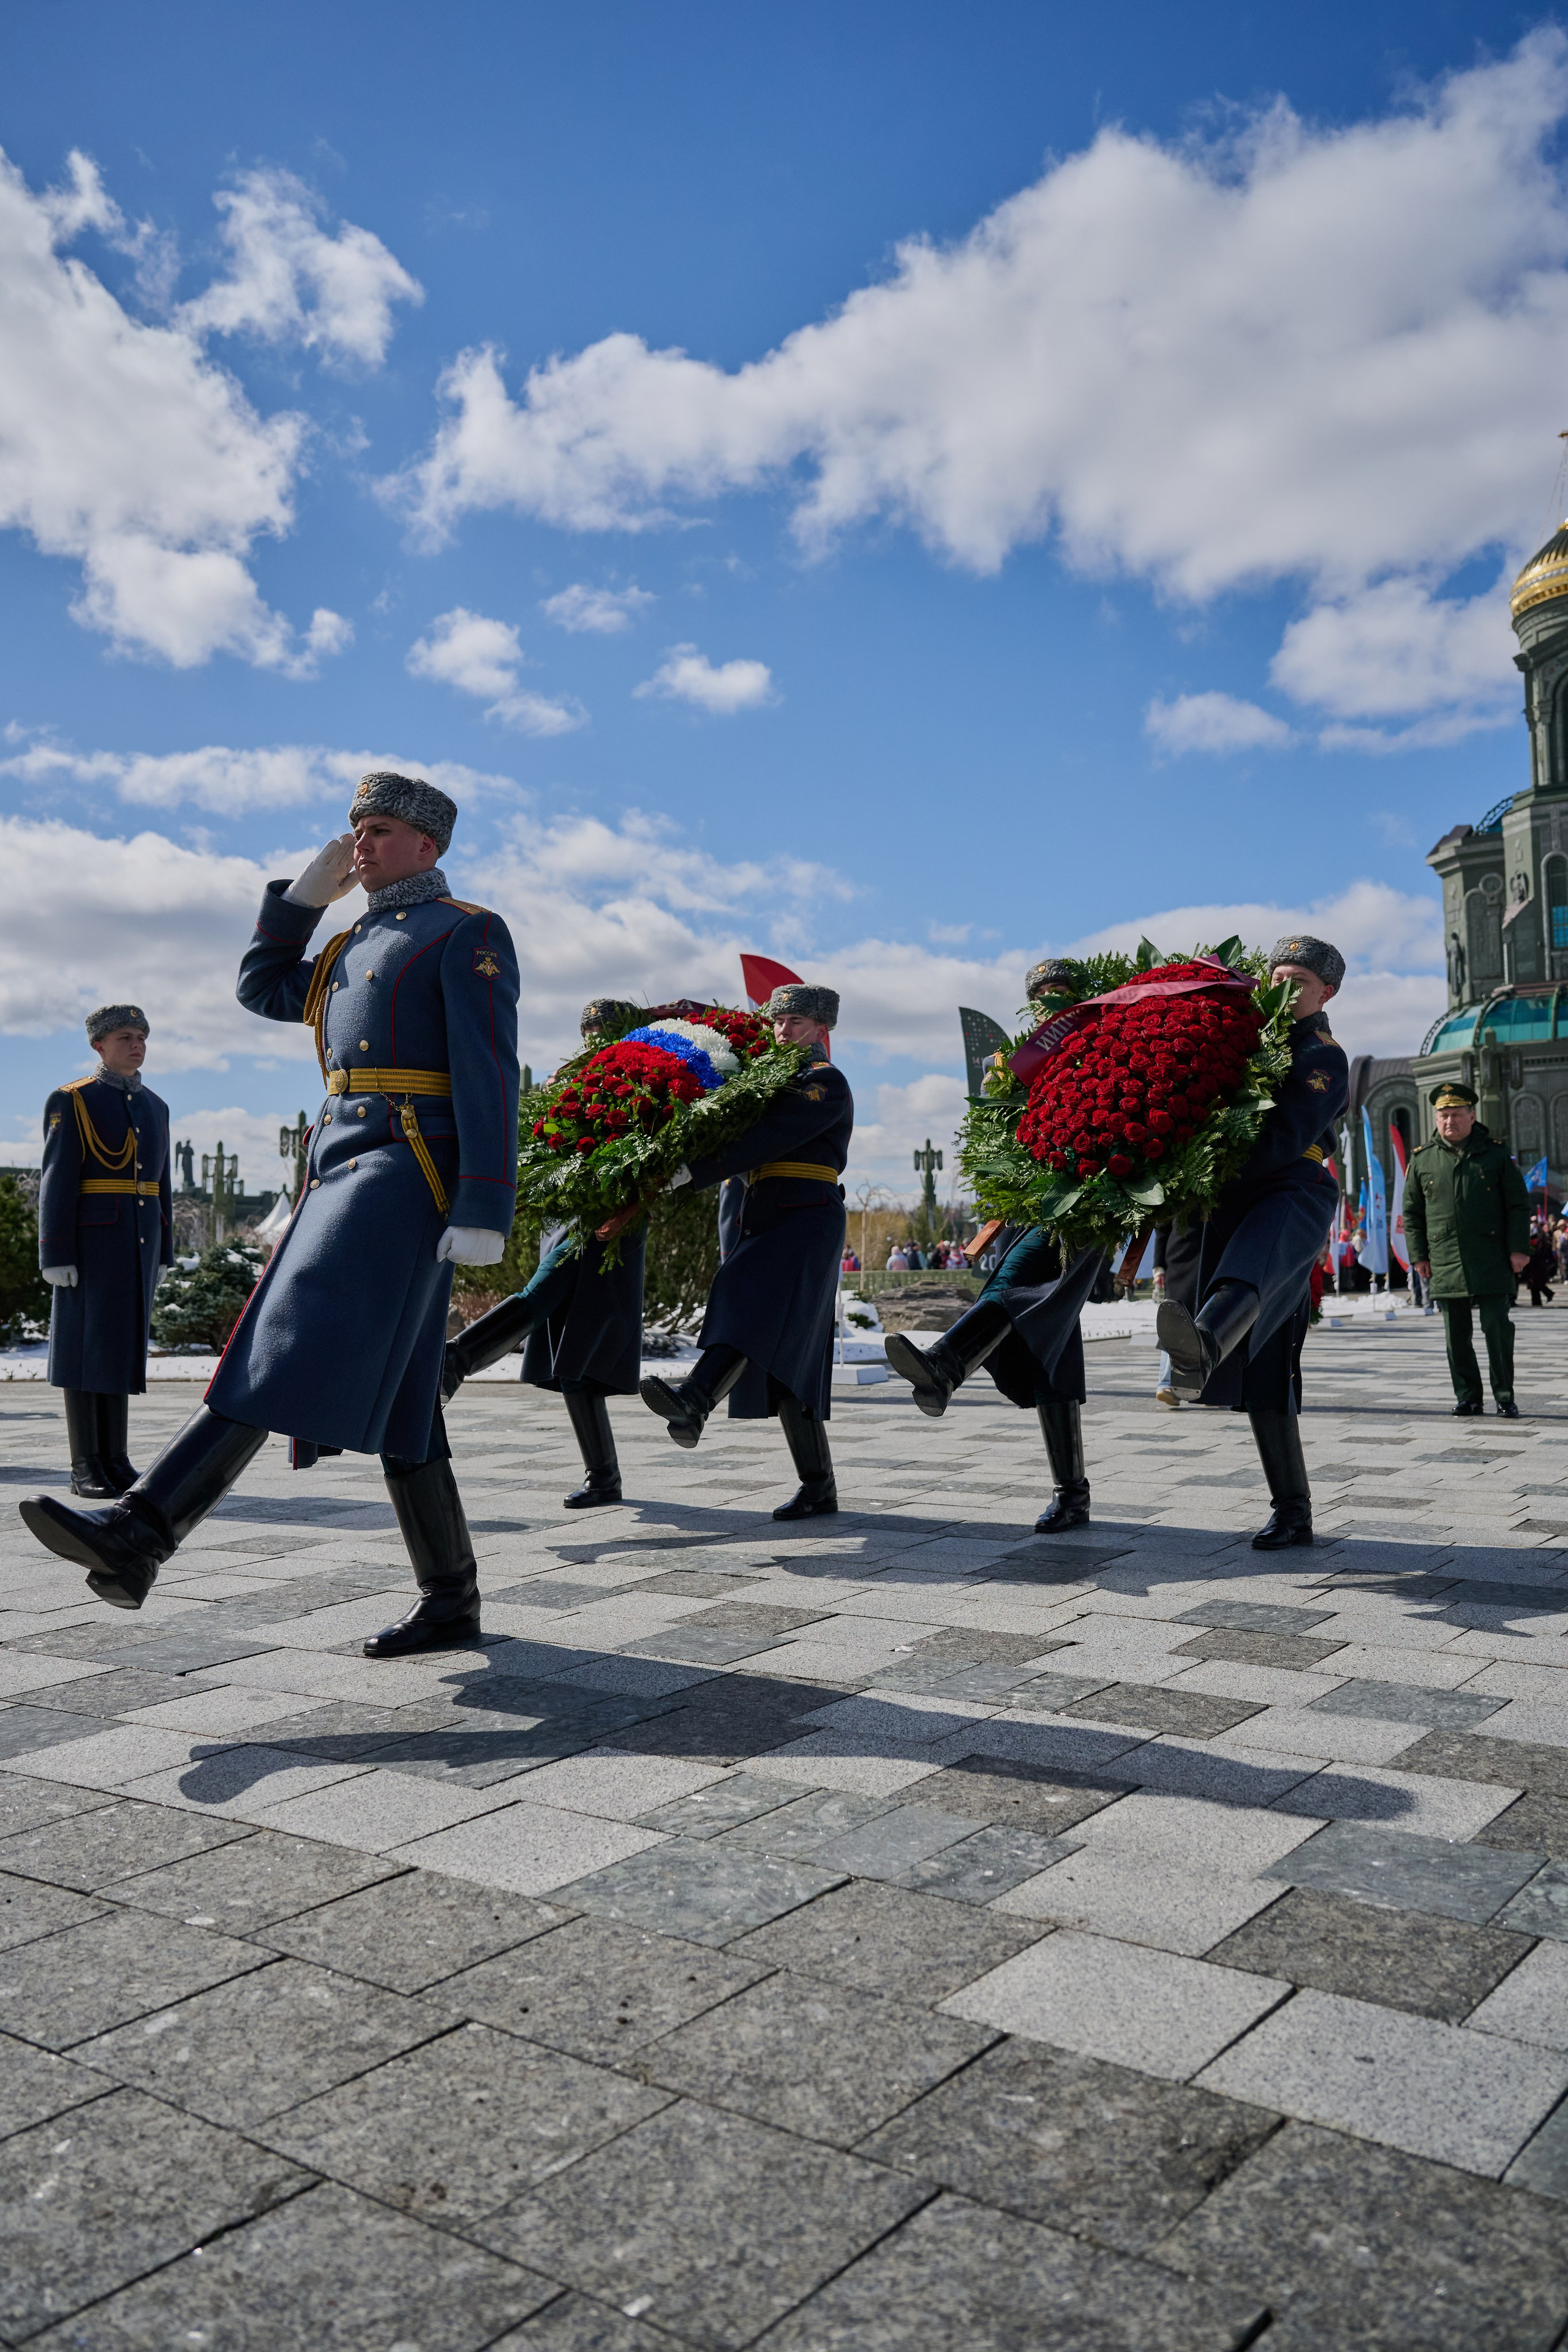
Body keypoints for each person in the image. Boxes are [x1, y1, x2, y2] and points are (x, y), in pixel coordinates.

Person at [20, 772, 521, 1653]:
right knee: (408, 1402)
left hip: (407, 1169)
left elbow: (487, 1069)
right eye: (355, 830)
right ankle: (453, 1597)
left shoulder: (466, 933)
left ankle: (143, 1534)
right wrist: (302, 900)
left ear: (428, 846)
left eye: (380, 831)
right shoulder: (353, 939)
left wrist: (485, 1201)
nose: (359, 845)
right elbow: (261, 989)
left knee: (283, 1333)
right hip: (340, 1163)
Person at [883, 960, 1104, 1532]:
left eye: (1063, 994)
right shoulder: (1017, 1063)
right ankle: (1072, 1494)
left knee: (1016, 1283)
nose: (1051, 1003)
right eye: (1042, 995)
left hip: (1090, 1200)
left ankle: (946, 1365)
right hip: (1028, 1205)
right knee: (1051, 1344)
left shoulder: (1108, 1048)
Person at [1156, 935, 1350, 1548]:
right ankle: (1292, 1513)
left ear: (1326, 993)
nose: (1284, 988)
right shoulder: (1234, 1039)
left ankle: (1202, 1349)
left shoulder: (1321, 1055)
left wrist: (1210, 1168)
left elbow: (1284, 1137)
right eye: (1278, 976)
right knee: (1266, 1366)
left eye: (1299, 981)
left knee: (1257, 1285)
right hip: (1224, 1201)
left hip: (1289, 1190)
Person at [640, 982, 850, 1518]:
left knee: (747, 1304)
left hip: (806, 1216)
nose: (784, 1032)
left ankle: (696, 1400)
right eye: (779, 1023)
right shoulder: (763, 1081)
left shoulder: (825, 1082)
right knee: (788, 1358)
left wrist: (694, 1171)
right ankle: (818, 1486)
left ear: (823, 1028)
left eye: (797, 1023)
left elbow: (770, 1138)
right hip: (766, 1214)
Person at [440, 997, 651, 1508]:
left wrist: (625, 1213)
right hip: (566, 1216)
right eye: (590, 1030)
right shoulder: (567, 1081)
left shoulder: (647, 1081)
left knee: (543, 1297)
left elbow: (657, 1158)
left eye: (606, 1030)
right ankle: (604, 1478)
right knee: (572, 1359)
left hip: (609, 1221)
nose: (596, 1039)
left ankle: (455, 1360)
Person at [38, 1006, 172, 1496]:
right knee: (84, 1351)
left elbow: (162, 1186)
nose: (136, 1045)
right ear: (98, 1045)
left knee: (119, 1351)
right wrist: (55, 1253)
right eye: (124, 1037)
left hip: (137, 1244)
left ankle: (115, 1460)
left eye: (141, 1036)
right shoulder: (72, 1100)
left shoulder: (156, 1106)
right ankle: (84, 1465)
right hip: (90, 1244)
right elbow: (57, 1180)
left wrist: (164, 1253)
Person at [1402, 1082, 1531, 1418]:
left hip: (1492, 1258)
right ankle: (1469, 1396)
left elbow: (1518, 1205)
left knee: (1497, 1328)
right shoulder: (1422, 1160)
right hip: (1444, 1260)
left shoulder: (1497, 1154)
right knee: (1456, 1336)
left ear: (1472, 1116)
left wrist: (1519, 1249)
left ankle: (1504, 1395)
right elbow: (1412, 1215)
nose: (1449, 1122)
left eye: (1457, 1114)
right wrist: (1418, 1256)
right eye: (1443, 1115)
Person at [1152, 1218, 1204, 1411]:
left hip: (1193, 1253)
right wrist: (1158, 1267)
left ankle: (1174, 1385)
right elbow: (1162, 1225)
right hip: (1185, 1254)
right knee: (1177, 1318)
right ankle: (1167, 1383)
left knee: (1187, 1318)